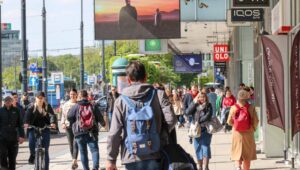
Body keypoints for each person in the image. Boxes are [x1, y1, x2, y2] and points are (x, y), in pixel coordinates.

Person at [106, 61, 177, 170]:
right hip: (156, 153)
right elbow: (171, 119)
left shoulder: (120, 101)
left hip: (131, 156)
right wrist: (160, 137)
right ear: (146, 77)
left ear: (128, 80)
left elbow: (114, 132)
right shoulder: (159, 94)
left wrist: (111, 160)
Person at [68, 90, 105, 170]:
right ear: (87, 96)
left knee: (83, 152)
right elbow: (100, 118)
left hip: (79, 133)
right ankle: (95, 168)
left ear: (80, 96)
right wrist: (103, 124)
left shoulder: (76, 106)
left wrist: (74, 122)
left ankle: (86, 168)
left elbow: (69, 116)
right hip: (92, 132)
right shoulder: (93, 105)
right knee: (94, 151)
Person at [24, 91, 57, 170]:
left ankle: (46, 168)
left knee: (45, 150)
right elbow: (27, 116)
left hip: (45, 128)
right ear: (35, 98)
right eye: (38, 98)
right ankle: (33, 154)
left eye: (41, 98)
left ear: (44, 98)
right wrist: (26, 123)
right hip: (33, 127)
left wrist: (52, 123)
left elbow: (52, 115)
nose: (40, 100)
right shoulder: (31, 106)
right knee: (31, 143)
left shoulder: (47, 106)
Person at [227, 90, 259, 170]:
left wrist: (235, 125)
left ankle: (238, 167)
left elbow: (229, 121)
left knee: (237, 151)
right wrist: (252, 128)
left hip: (237, 133)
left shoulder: (233, 107)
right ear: (247, 98)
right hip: (248, 133)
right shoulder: (251, 108)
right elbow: (256, 121)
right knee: (247, 155)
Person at [186, 92, 213, 170]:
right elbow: (187, 112)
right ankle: (200, 166)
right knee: (197, 148)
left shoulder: (209, 105)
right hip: (196, 130)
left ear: (206, 97)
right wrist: (194, 102)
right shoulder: (195, 105)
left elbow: (208, 116)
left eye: (203, 97)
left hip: (205, 129)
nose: (202, 98)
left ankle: (206, 166)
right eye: (200, 97)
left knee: (206, 147)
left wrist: (197, 121)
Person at [0, 96, 25, 170]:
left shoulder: (16, 110)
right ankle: (4, 168)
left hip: (13, 137)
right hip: (2, 138)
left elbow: (20, 124)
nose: (7, 102)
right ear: (4, 102)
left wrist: (22, 136)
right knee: (2, 155)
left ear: (11, 101)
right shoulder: (0, 111)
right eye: (6, 101)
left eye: (9, 101)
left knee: (12, 158)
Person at [61, 89, 79, 169]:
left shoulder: (79, 104)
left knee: (76, 143)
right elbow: (63, 115)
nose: (72, 95)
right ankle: (73, 160)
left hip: (77, 127)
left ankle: (74, 160)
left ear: (76, 94)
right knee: (71, 144)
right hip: (68, 126)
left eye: (74, 94)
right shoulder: (66, 104)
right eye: (71, 94)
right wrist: (62, 123)